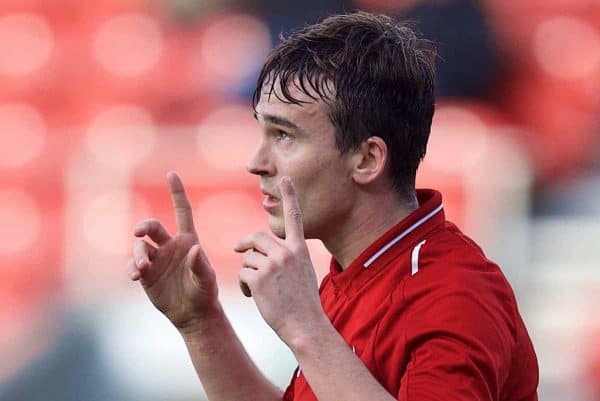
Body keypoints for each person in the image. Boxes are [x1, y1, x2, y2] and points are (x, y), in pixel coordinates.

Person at [127, 11, 539, 401]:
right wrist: (200, 323)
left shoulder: (454, 294)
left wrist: (305, 327)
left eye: (284, 136)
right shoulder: (359, 272)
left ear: (367, 160)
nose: (256, 163)